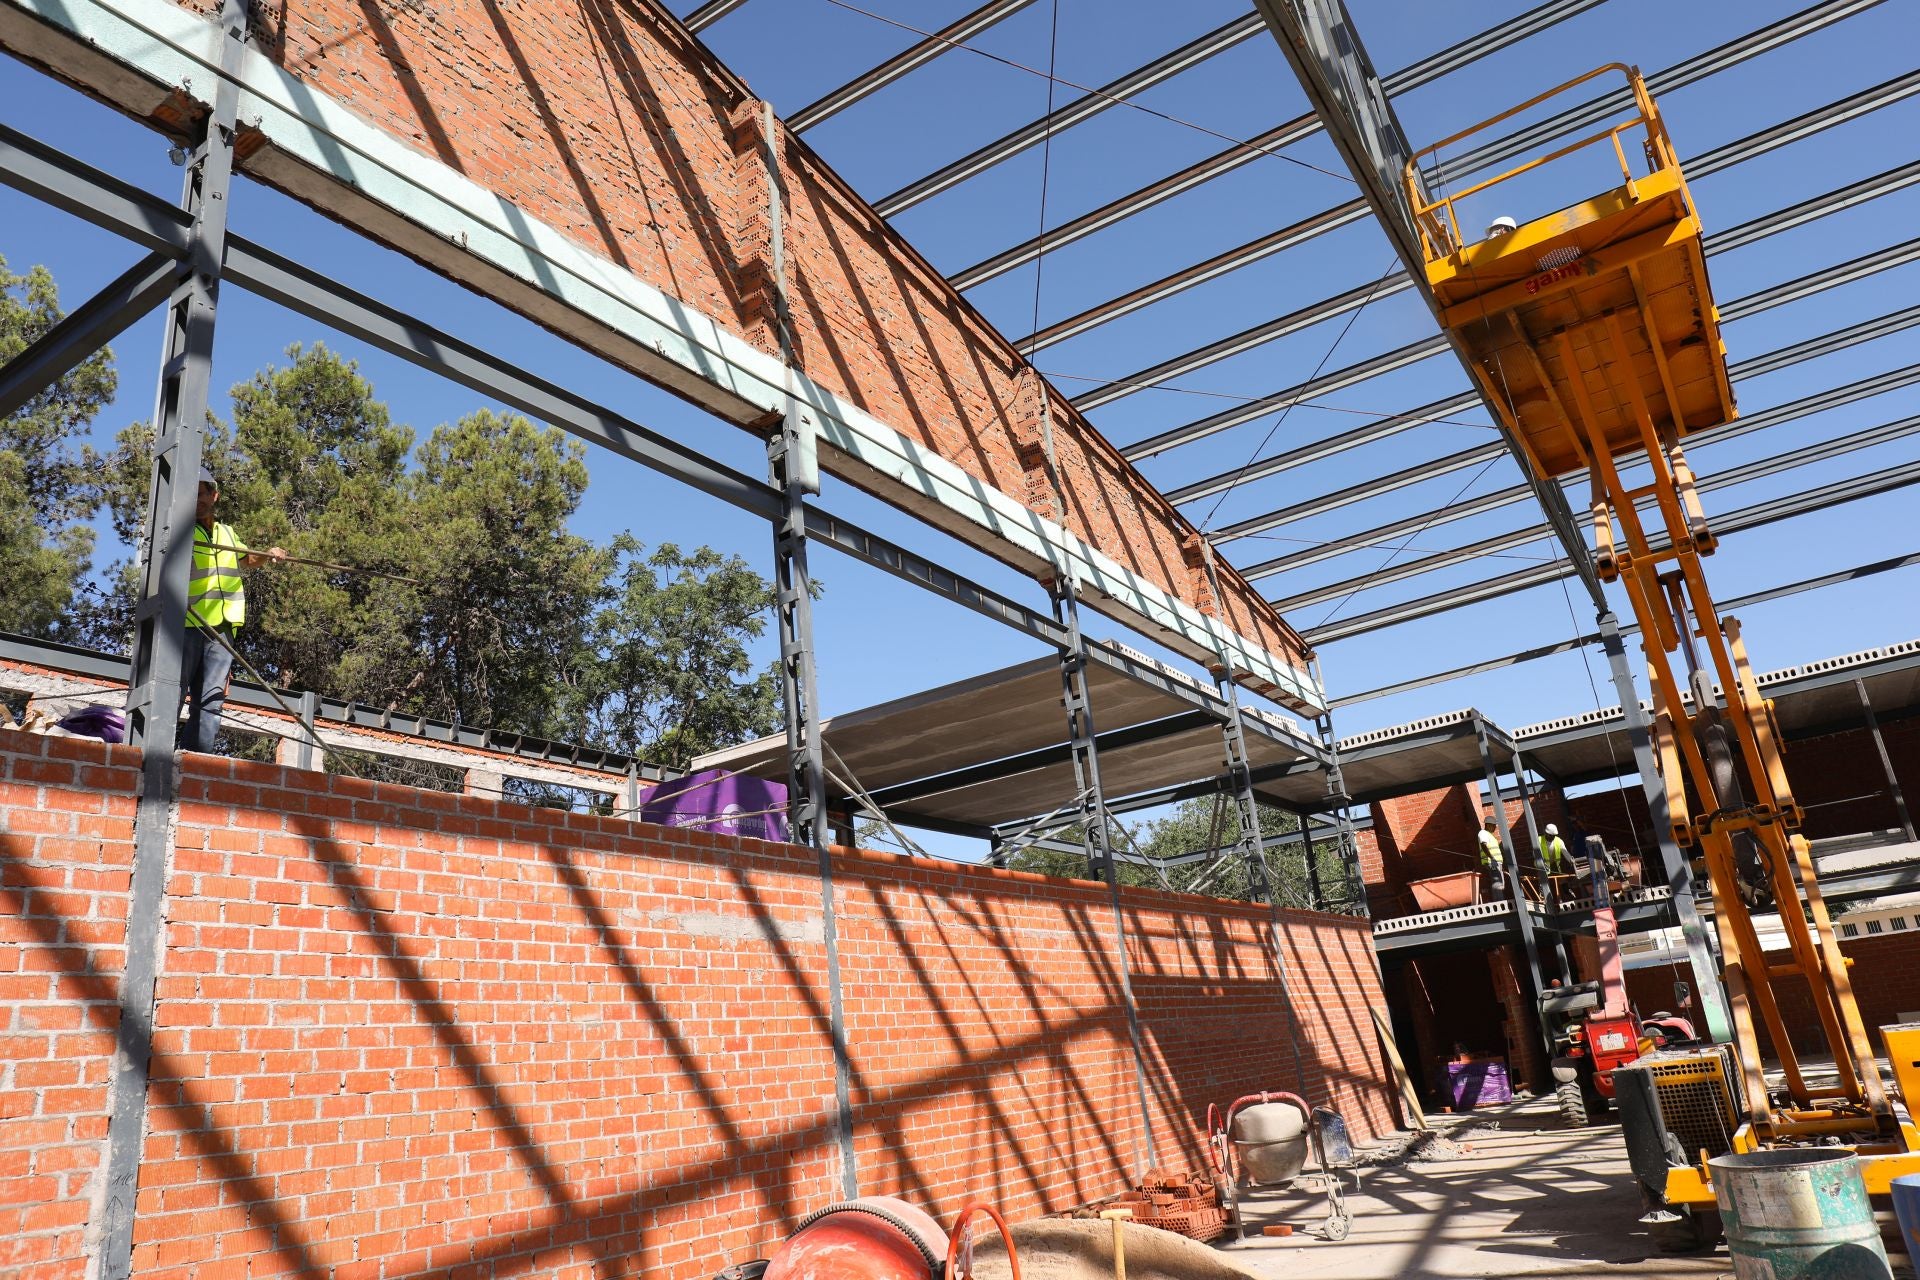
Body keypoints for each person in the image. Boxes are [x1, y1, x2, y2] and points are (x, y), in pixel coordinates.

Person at [182, 467, 284, 753]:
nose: (197, 500)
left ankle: (196, 759)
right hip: (188, 623)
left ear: (214, 496)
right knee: (172, 690)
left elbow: (247, 559)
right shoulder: (179, 531)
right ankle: (160, 754)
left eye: (202, 494)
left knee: (212, 699)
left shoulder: (226, 532)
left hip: (223, 627)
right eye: (191, 495)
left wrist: (269, 554)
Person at [1476, 817, 1505, 902]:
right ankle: (1499, 902)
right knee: (1497, 883)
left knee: (1500, 883)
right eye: (1494, 825)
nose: (1495, 827)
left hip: (1496, 863)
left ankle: (1500, 901)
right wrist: (1492, 858)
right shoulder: (1483, 833)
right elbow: (1483, 845)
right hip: (1492, 862)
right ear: (1488, 825)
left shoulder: (1489, 835)